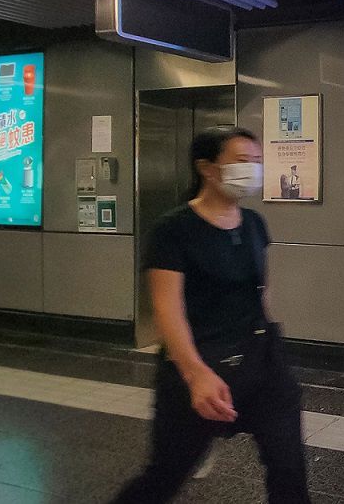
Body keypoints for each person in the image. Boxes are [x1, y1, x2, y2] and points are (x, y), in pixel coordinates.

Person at [112, 126, 310, 504]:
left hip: (261, 364)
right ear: (207, 168)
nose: (252, 168)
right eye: (242, 160)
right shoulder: (173, 230)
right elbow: (167, 309)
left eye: (256, 160)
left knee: (288, 468)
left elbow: (261, 292)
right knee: (165, 475)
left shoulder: (254, 223)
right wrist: (195, 373)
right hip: (200, 365)